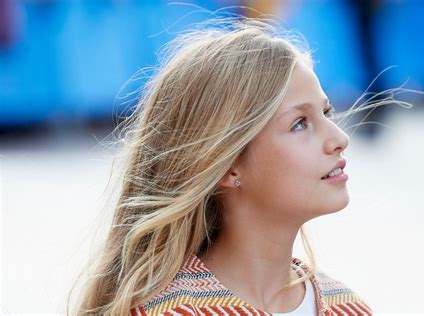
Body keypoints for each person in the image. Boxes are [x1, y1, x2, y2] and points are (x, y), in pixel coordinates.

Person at [70, 16, 376, 315]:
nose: (339, 138)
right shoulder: (171, 310)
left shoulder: (348, 307)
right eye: (299, 124)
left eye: (328, 112)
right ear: (228, 165)